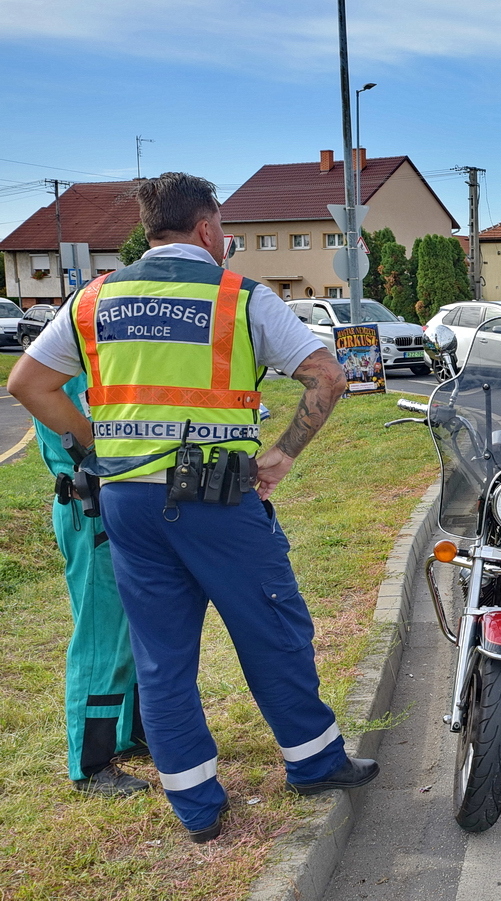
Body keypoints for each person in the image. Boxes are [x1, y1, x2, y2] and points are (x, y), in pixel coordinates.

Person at [8, 172, 377, 844]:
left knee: (161, 656)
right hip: (215, 498)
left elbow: (29, 383)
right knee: (273, 629)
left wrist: (100, 446)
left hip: (128, 506)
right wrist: (285, 451)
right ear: (207, 228)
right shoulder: (236, 296)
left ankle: (198, 808)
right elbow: (328, 375)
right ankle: (314, 761)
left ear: (150, 229)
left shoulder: (93, 298)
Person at [33, 372, 149, 797]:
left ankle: (132, 732)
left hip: (114, 502)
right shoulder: (64, 359)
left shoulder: (94, 351)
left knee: (134, 628)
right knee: (102, 636)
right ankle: (91, 763)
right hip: (92, 505)